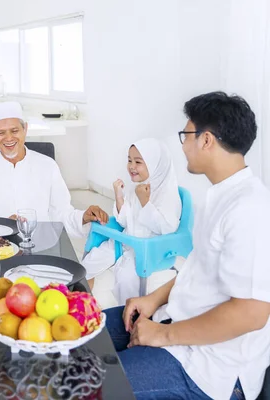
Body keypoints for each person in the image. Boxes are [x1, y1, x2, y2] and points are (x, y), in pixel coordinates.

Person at [104, 92, 270, 399]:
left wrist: (163, 335)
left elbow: (251, 313)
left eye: (186, 134)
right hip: (175, 319)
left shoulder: (249, 208)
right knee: (79, 332)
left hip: (209, 366)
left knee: (97, 385)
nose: (183, 144)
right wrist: (153, 299)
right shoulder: (218, 196)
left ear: (206, 140)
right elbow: (199, 270)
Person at [0, 101, 108, 237]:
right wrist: (5, 226)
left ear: (25, 129)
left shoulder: (47, 166)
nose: (8, 138)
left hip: (43, 249)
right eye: (1, 133)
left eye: (14, 130)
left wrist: (83, 217)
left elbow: (62, 213)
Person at [82, 138, 181, 304]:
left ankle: (128, 316)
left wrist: (145, 203)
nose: (132, 166)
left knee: (126, 279)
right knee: (89, 263)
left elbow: (167, 229)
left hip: (147, 250)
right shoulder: (138, 187)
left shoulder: (168, 195)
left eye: (138, 162)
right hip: (125, 241)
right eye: (129, 160)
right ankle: (81, 303)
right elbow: (124, 220)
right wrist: (119, 196)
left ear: (155, 164)